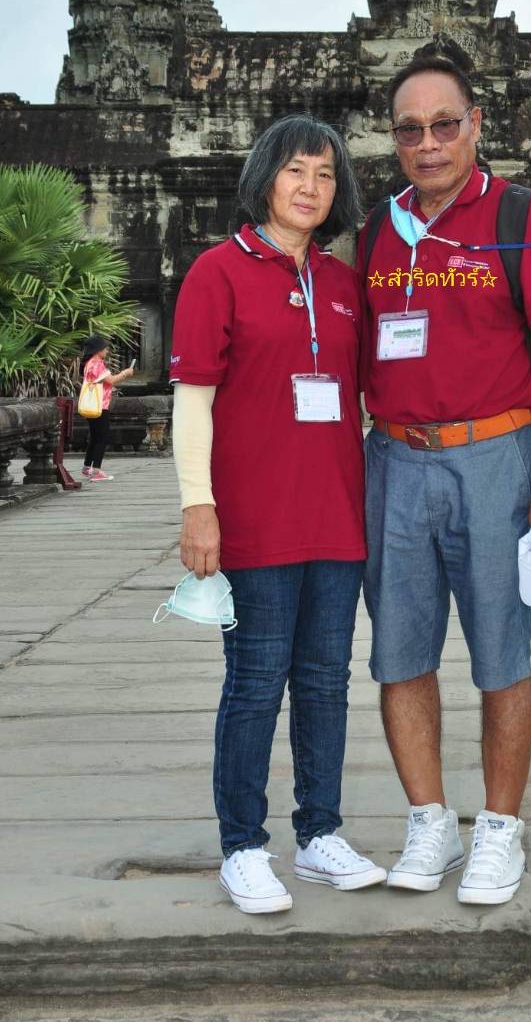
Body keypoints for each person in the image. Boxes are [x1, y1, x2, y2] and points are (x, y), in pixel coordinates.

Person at [358, 56, 531, 906]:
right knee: (399, 653)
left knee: (500, 655)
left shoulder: (519, 215)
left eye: (444, 124)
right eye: (409, 129)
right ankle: (428, 822)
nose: (428, 143)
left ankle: (498, 828)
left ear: (475, 125)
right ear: (392, 138)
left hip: (495, 456)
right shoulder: (377, 231)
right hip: (394, 458)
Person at [169, 115, 386, 917]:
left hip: (336, 518)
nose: (310, 188)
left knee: (326, 684)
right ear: (264, 178)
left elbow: (373, 395)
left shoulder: (342, 285)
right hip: (254, 519)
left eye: (326, 175)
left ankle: (320, 833)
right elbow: (193, 401)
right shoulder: (218, 272)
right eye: (296, 170)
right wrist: (198, 506)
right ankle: (242, 847)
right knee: (256, 683)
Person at [79, 334, 134, 481]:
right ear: (98, 350)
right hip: (100, 406)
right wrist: (125, 373)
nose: (107, 351)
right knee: (102, 438)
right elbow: (112, 380)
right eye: (105, 348)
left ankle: (87, 467)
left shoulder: (88, 363)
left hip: (90, 405)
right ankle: (96, 471)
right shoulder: (97, 364)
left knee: (94, 437)